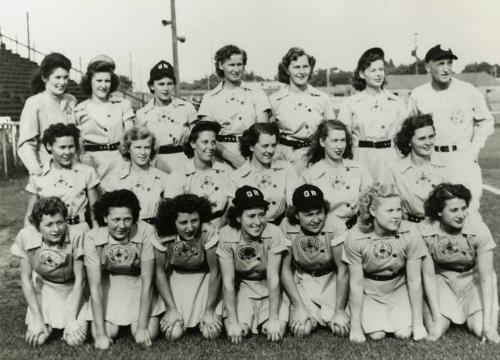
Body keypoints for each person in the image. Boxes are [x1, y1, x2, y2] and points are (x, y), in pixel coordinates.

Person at [408, 44, 494, 210]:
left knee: (467, 213)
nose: (446, 69)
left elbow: (486, 121)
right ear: (427, 67)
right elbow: (408, 128)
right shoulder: (418, 94)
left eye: (449, 63)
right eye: (440, 64)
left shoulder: (467, 91)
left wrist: (474, 150)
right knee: (430, 212)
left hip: (461, 159)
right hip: (430, 160)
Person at [343, 183, 428, 343]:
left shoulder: (410, 232)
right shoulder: (355, 236)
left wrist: (418, 324)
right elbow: (356, 284)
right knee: (377, 334)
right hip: (370, 291)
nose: (396, 216)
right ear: (373, 211)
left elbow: (414, 279)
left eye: (398, 209)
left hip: (398, 287)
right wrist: (355, 327)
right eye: (390, 211)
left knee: (404, 333)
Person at [419, 183, 500, 343]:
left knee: (480, 328)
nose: (461, 215)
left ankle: (477, 314)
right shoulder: (425, 230)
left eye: (463, 208)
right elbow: (428, 275)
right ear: (439, 211)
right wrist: (435, 317)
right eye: (454, 210)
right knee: (438, 327)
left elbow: (487, 278)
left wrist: (489, 325)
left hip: (471, 280)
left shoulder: (478, 228)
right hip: (440, 280)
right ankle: (440, 314)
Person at [83, 190, 163, 349]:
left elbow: (148, 281)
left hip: (138, 286)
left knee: (146, 334)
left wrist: (141, 328)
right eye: (116, 219)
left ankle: (137, 324)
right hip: (109, 286)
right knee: (108, 332)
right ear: (105, 218)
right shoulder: (92, 237)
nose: (122, 225)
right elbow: (95, 286)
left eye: (127, 219)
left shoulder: (146, 231)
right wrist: (100, 335)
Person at [11, 197, 87, 347]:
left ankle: (71, 320)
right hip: (45, 289)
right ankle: (46, 321)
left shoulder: (77, 235)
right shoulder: (26, 236)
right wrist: (37, 318)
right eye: (49, 224)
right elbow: (26, 280)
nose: (56, 229)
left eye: (60, 222)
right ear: (37, 226)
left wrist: (72, 319)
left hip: (72, 289)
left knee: (75, 341)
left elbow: (81, 280)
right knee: (38, 339)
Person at [216, 186, 289, 343]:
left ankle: (268, 318)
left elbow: (273, 278)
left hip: (269, 288)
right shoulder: (226, 234)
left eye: (262, 215)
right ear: (238, 218)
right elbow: (228, 282)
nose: (258, 222)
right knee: (238, 332)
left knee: (276, 332)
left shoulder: (274, 232)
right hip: (242, 288)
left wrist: (274, 318)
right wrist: (234, 323)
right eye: (251, 216)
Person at [280, 185, 349, 337]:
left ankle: (330, 312)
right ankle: (305, 309)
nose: (316, 219)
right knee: (301, 330)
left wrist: (340, 311)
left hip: (331, 280)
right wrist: (298, 306)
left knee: (341, 329)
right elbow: (284, 269)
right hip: (303, 280)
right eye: (308, 214)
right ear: (296, 215)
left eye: (319, 213)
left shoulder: (336, 225)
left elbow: (343, 269)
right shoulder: (286, 225)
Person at [153, 194, 222, 341]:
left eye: (194, 221)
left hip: (205, 279)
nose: (190, 227)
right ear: (173, 222)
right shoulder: (163, 234)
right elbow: (160, 273)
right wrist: (170, 309)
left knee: (211, 333)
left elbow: (215, 272)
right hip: (176, 279)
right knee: (173, 334)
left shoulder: (208, 231)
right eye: (183, 222)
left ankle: (207, 313)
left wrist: (209, 310)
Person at [338, 47, 406, 182]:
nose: (378, 74)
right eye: (373, 70)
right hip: (360, 158)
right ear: (362, 74)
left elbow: (404, 137)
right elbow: (343, 136)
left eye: (381, 70)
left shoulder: (396, 102)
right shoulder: (351, 103)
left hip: (389, 157)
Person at [198, 45, 271, 169]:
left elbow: (263, 132)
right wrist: (231, 158)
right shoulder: (209, 98)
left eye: (240, 64)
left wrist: (252, 159)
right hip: (219, 157)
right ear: (221, 65)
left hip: (252, 155)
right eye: (232, 65)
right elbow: (206, 136)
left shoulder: (257, 93)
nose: (236, 70)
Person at [24, 123, 99, 232]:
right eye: (62, 147)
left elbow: (95, 212)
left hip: (80, 232)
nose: (67, 152)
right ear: (49, 146)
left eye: (71, 147)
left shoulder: (87, 172)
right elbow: (30, 216)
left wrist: (98, 238)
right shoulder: (38, 176)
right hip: (51, 234)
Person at [270, 47, 335, 173]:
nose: (302, 71)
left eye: (305, 66)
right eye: (296, 67)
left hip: (316, 157)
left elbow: (331, 132)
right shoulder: (275, 100)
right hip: (285, 159)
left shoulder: (322, 98)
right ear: (287, 70)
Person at [75, 55, 134, 183]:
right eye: (99, 81)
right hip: (92, 165)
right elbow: (78, 143)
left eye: (107, 81)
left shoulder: (123, 104)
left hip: (120, 163)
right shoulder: (79, 109)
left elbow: (131, 135)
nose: (103, 85)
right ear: (90, 81)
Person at [303, 120, 372, 228]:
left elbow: (372, 200)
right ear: (322, 141)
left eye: (342, 140)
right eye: (334, 140)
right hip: (328, 231)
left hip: (358, 229)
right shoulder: (309, 175)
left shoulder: (359, 169)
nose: (339, 146)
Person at [165, 121, 233, 228]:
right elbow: (172, 213)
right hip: (190, 231)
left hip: (221, 227)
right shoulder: (178, 174)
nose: (210, 147)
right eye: (205, 142)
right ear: (193, 143)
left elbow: (231, 206)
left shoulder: (226, 171)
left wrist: (219, 228)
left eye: (213, 142)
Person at [17, 53, 77, 175]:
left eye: (66, 77)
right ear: (45, 78)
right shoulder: (34, 103)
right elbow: (26, 142)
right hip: (48, 171)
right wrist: (34, 166)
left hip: (73, 170)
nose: (63, 82)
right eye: (58, 77)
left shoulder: (72, 100)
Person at [230, 122, 300, 225]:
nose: (270, 150)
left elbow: (292, 205)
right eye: (265, 146)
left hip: (281, 228)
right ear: (251, 146)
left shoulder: (286, 168)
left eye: (273, 145)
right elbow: (234, 216)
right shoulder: (237, 177)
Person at [136, 60, 198, 173]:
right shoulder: (142, 114)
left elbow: (197, 138)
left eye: (169, 84)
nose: (166, 88)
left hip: (184, 162)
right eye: (161, 84)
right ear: (151, 85)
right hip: (156, 164)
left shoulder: (186, 107)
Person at [384, 114, 448, 223]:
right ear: (409, 141)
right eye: (422, 138)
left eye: (431, 136)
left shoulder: (445, 165)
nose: (428, 143)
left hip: (440, 227)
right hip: (408, 229)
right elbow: (386, 205)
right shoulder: (393, 168)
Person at [102, 125, 168, 224]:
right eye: (138, 147)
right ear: (128, 149)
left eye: (147, 148)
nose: (143, 152)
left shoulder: (163, 178)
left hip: (157, 233)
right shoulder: (115, 180)